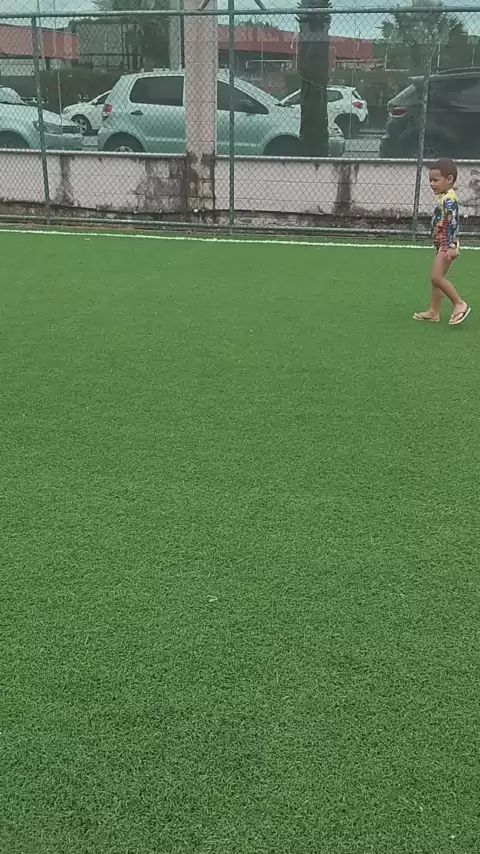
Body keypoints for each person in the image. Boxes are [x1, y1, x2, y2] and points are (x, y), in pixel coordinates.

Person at [413, 158, 471, 326]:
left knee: (436, 277)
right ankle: (433, 311)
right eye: (430, 180)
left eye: (435, 180)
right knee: (436, 279)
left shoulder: (449, 200)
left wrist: (449, 246)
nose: (431, 184)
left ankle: (459, 304)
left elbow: (452, 223)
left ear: (449, 179)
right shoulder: (444, 197)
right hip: (442, 244)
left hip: (447, 245)